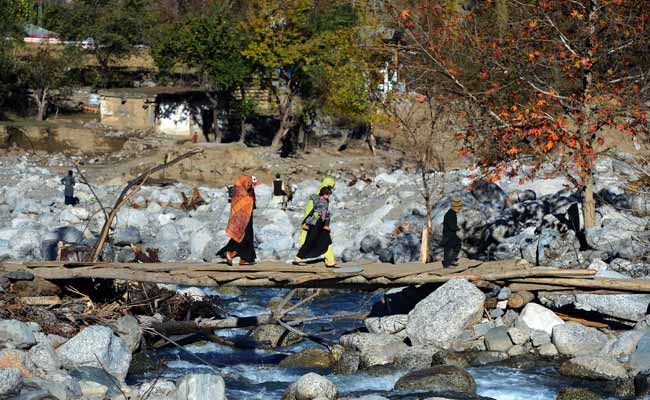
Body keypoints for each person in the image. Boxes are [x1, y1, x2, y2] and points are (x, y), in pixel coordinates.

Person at [218, 175, 259, 266]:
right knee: (244, 236)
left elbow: (252, 202)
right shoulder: (240, 192)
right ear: (246, 182)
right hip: (242, 218)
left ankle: (244, 259)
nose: (251, 186)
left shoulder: (247, 190)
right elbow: (242, 204)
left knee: (247, 236)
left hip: (247, 215)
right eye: (250, 184)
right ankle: (231, 253)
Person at [295, 177, 336, 267]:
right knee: (311, 241)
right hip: (315, 223)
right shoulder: (322, 199)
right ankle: (298, 258)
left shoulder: (316, 196)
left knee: (326, 239)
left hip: (317, 223)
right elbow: (316, 211)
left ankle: (330, 260)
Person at [442, 197, 463, 268]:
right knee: (447, 249)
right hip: (448, 235)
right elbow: (452, 226)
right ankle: (447, 264)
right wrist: (458, 228)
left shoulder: (452, 213)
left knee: (458, 245)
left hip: (452, 234)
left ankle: (451, 260)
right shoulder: (450, 214)